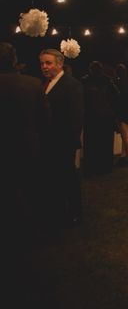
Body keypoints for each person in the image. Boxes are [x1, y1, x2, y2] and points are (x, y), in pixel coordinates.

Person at [0, 43, 49, 245]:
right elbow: (46, 120)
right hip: (28, 147)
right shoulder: (33, 84)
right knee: (31, 191)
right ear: (13, 60)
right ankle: (33, 234)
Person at [39, 48, 84, 227]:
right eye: (42, 63)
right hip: (48, 142)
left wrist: (70, 143)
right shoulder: (45, 83)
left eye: (48, 63)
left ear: (60, 64)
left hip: (63, 142)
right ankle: (58, 210)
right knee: (55, 179)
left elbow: (76, 116)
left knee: (69, 178)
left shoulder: (71, 84)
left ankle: (75, 213)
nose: (44, 66)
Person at [81, 61, 119, 175]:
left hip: (92, 117)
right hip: (104, 117)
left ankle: (93, 167)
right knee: (105, 143)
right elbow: (116, 96)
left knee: (92, 143)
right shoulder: (107, 80)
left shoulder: (85, 81)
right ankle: (105, 166)